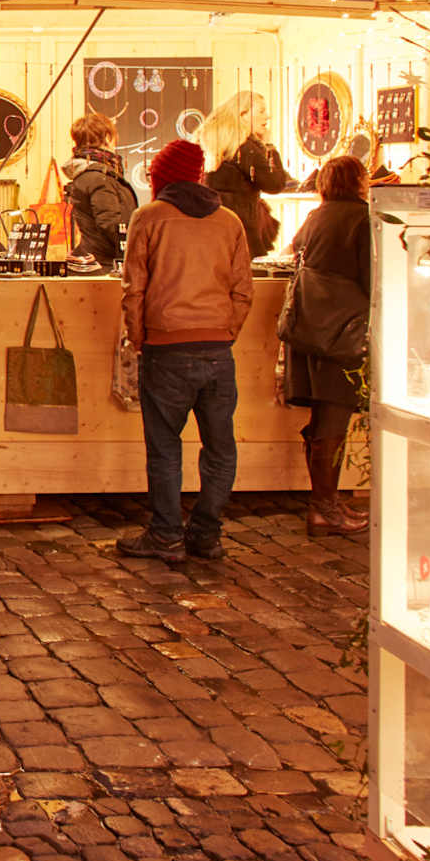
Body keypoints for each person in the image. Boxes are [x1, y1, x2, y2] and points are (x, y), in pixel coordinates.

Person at [117, 139, 253, 564]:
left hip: (165, 347)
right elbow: (243, 291)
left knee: (164, 446)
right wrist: (226, 330)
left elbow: (134, 287)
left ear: (160, 178)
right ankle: (207, 534)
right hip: (217, 349)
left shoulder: (149, 217)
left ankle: (166, 534)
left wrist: (138, 336)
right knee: (220, 446)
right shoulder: (229, 221)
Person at [284, 155, 372, 537]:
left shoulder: (315, 217)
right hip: (342, 336)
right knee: (333, 423)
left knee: (322, 423)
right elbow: (374, 280)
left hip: (310, 336)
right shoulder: (363, 220)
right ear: (358, 182)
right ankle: (324, 507)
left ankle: (326, 502)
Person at [200, 91, 289, 259]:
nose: (267, 116)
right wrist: (269, 146)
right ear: (244, 114)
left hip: (218, 232)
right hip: (243, 232)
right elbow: (275, 183)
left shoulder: (221, 145)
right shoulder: (245, 149)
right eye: (261, 111)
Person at [63, 111, 137, 269]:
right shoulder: (100, 177)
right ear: (108, 138)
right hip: (105, 262)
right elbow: (110, 223)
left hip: (95, 258)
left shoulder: (89, 174)